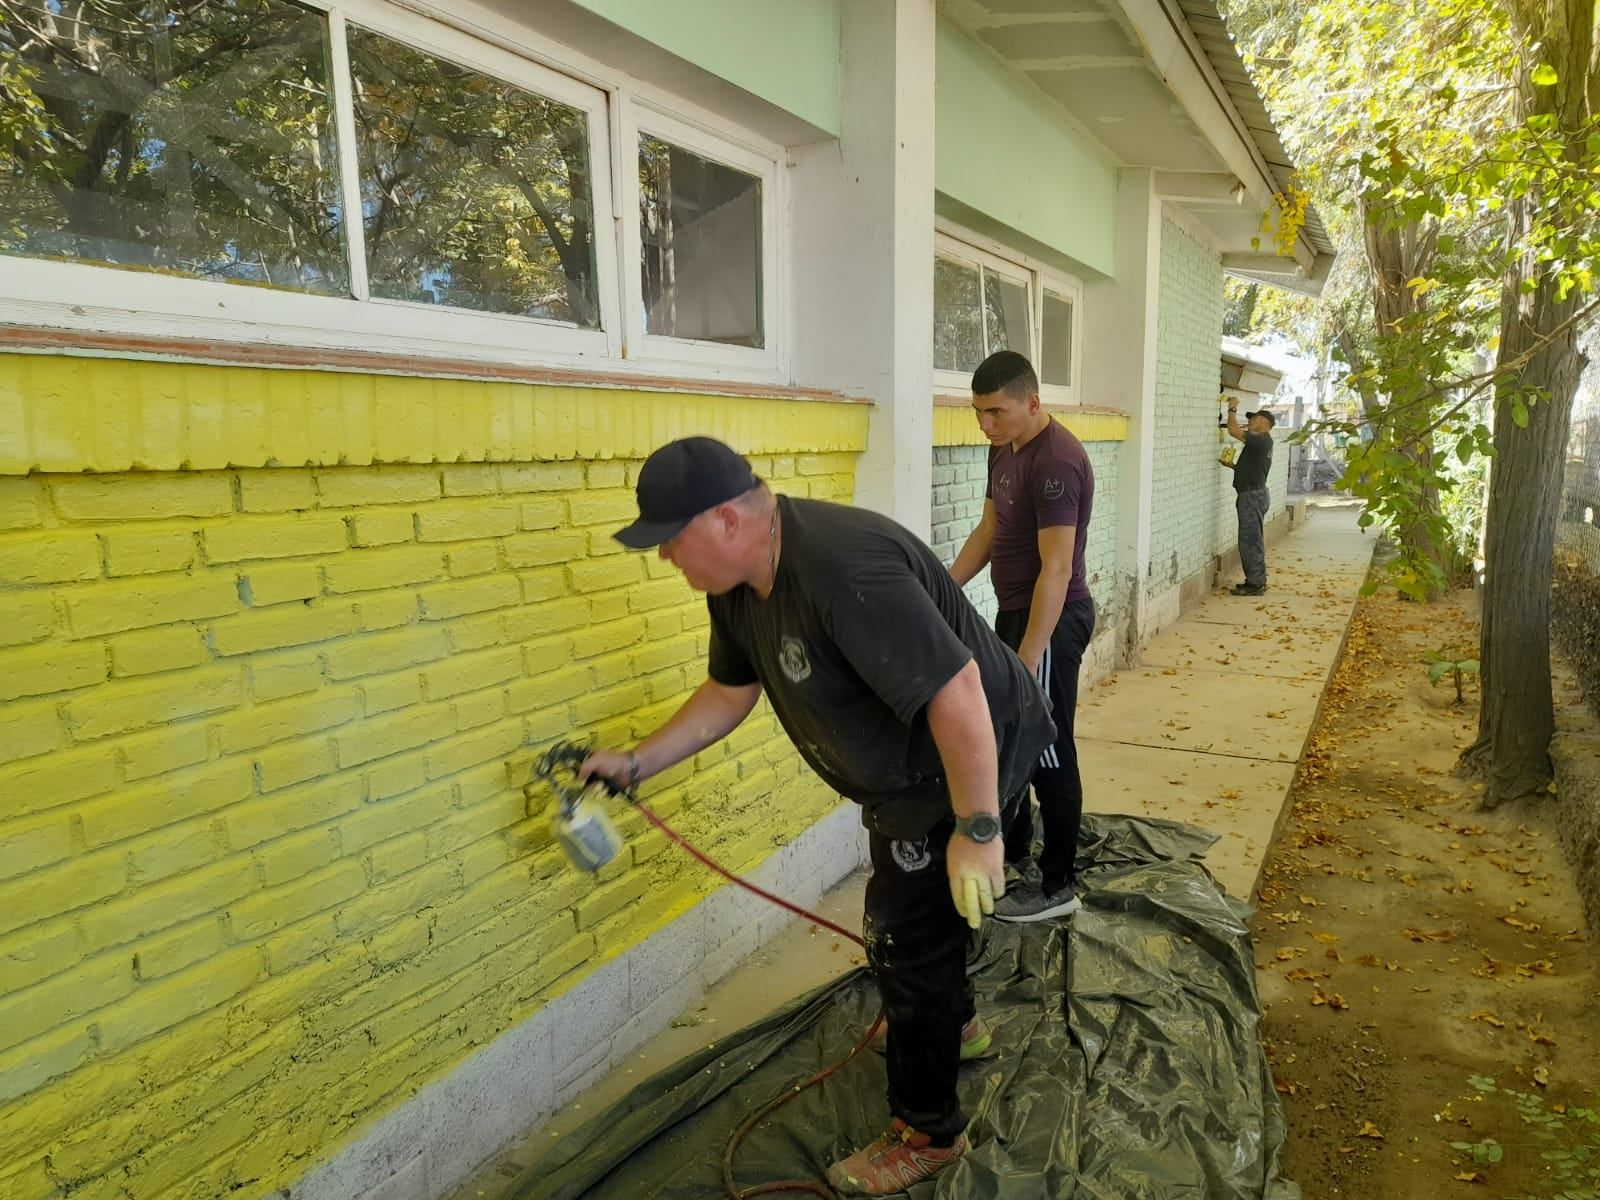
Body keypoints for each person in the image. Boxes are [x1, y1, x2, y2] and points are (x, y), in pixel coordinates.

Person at [579, 437, 1054, 1195]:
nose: (664, 558)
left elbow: (957, 694)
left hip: (970, 752)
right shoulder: (736, 582)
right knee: (925, 914)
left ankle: (927, 1132)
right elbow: (729, 692)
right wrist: (637, 762)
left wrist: (977, 829)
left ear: (728, 519)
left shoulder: (840, 566)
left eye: (670, 540)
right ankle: (955, 1025)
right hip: (912, 767)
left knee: (904, 935)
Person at [949, 351, 1095, 923]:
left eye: (996, 412)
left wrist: (1030, 656)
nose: (985, 424)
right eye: (979, 413)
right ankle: (1016, 849)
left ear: (1033, 402)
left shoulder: (1055, 462)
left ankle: (1059, 885)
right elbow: (989, 531)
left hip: (1052, 621)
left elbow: (1056, 570)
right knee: (1011, 738)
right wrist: (943, 585)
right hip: (1017, 613)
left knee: (1049, 747)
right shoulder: (1003, 451)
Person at [1224, 400, 1275, 596]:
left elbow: (1233, 431)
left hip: (1252, 496)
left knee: (1250, 540)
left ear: (1263, 421)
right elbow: (1254, 469)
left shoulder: (1260, 438)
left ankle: (1255, 584)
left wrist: (1232, 409)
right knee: (1252, 539)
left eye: (1253, 418)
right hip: (1254, 493)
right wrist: (1234, 467)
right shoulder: (1262, 442)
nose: (1250, 422)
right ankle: (1255, 580)